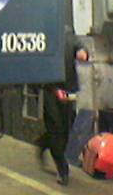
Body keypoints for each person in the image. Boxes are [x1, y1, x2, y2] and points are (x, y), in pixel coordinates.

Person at [35, 40, 88, 185]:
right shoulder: (43, 35)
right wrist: (54, 88)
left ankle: (43, 143)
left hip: (68, 89)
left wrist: (82, 51)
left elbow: (75, 43)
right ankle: (62, 170)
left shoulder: (66, 31)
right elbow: (39, 63)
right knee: (56, 129)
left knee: (65, 130)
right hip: (49, 89)